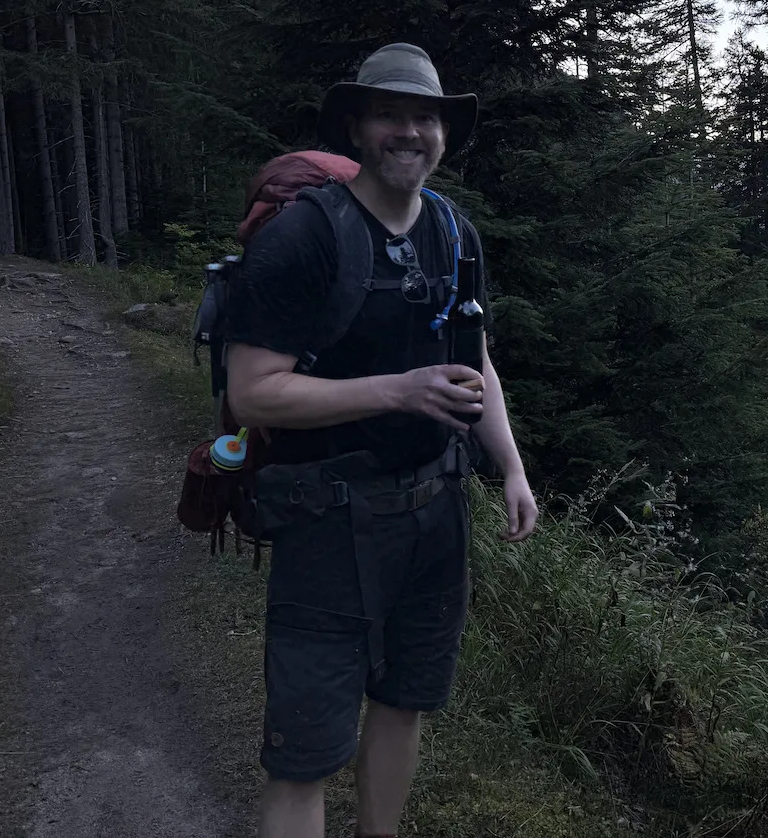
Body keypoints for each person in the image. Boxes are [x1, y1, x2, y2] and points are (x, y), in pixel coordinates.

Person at [224, 42, 539, 838]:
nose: (411, 131)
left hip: (435, 514)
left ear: (443, 134)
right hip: (326, 522)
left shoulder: (455, 234)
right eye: (392, 115)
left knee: (405, 701)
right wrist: (396, 390)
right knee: (304, 753)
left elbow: (477, 359)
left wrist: (510, 463)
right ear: (359, 128)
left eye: (425, 117)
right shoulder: (304, 238)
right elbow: (253, 389)